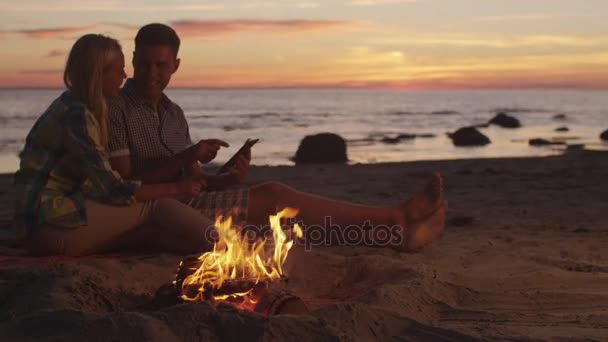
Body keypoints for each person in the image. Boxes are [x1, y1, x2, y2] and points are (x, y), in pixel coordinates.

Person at [107, 23, 448, 253]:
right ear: (133, 60)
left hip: (186, 202)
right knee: (276, 198)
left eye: (161, 65)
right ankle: (396, 223)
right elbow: (124, 183)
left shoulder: (173, 113)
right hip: (153, 211)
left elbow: (197, 183)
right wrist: (187, 156)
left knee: (280, 218)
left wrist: (228, 178)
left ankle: (394, 230)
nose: (153, 73)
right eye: (146, 64)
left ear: (176, 66)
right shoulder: (116, 109)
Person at [11, 34, 219, 256]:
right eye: (118, 70)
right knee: (155, 204)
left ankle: (211, 244)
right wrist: (177, 188)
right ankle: (221, 244)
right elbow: (113, 189)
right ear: (98, 74)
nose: (124, 75)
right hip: (46, 225)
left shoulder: (78, 107)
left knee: (152, 224)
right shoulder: (77, 115)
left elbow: (95, 184)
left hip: (47, 222)